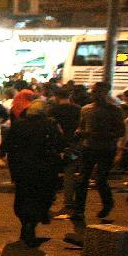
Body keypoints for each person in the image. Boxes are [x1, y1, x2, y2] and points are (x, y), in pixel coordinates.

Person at [0, 99, 62, 246]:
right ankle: (31, 225)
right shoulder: (49, 125)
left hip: (21, 169)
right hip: (43, 169)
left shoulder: (19, 125)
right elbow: (60, 144)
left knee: (23, 196)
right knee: (42, 197)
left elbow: (6, 145)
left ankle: (26, 224)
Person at [72, 81, 125, 223]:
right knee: (82, 179)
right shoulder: (86, 109)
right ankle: (78, 210)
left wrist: (101, 134)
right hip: (88, 147)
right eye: (93, 91)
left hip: (106, 149)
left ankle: (107, 203)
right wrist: (80, 133)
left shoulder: (114, 110)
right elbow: (81, 127)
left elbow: (121, 131)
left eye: (97, 91)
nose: (94, 94)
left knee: (100, 179)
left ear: (105, 92)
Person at [47, 87, 82, 219]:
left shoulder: (53, 111)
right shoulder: (78, 109)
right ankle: (69, 202)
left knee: (54, 172)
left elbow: (52, 128)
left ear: (56, 97)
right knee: (70, 173)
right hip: (74, 143)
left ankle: (55, 200)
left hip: (57, 145)